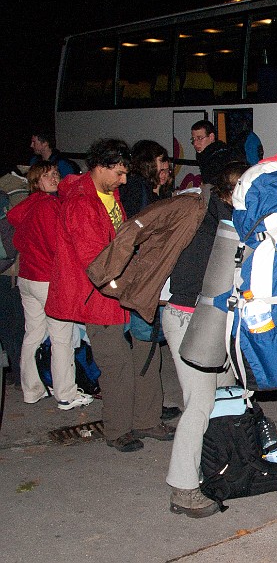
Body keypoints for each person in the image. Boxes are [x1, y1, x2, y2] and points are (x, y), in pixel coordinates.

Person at [45, 139, 174, 452]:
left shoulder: (110, 194)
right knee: (117, 365)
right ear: (100, 167)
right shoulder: (81, 203)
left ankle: (147, 419)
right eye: (119, 173)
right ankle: (117, 430)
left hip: (125, 289)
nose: (124, 180)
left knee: (146, 353)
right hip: (99, 297)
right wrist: (129, 284)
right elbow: (95, 261)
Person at [163, 161, 247, 518]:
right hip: (190, 319)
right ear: (234, 192)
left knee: (224, 396)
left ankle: (216, 466)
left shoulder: (218, 215)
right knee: (199, 402)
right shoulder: (214, 225)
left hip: (211, 320)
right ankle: (183, 487)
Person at [7, 163, 89, 408]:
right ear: (36, 181)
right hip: (48, 280)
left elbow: (18, 237)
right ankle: (66, 394)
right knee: (62, 337)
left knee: (33, 334)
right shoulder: (50, 206)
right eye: (47, 175)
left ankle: (32, 390)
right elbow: (59, 246)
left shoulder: (27, 206)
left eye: (55, 174)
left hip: (27, 278)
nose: (54, 178)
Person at [120, 139, 173, 218]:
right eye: (160, 161)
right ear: (149, 162)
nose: (162, 165)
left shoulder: (143, 184)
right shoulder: (135, 186)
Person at [190, 120, 237, 185]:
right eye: (193, 139)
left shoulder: (221, 157)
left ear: (211, 137)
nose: (195, 143)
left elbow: (215, 186)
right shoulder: (206, 155)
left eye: (200, 138)